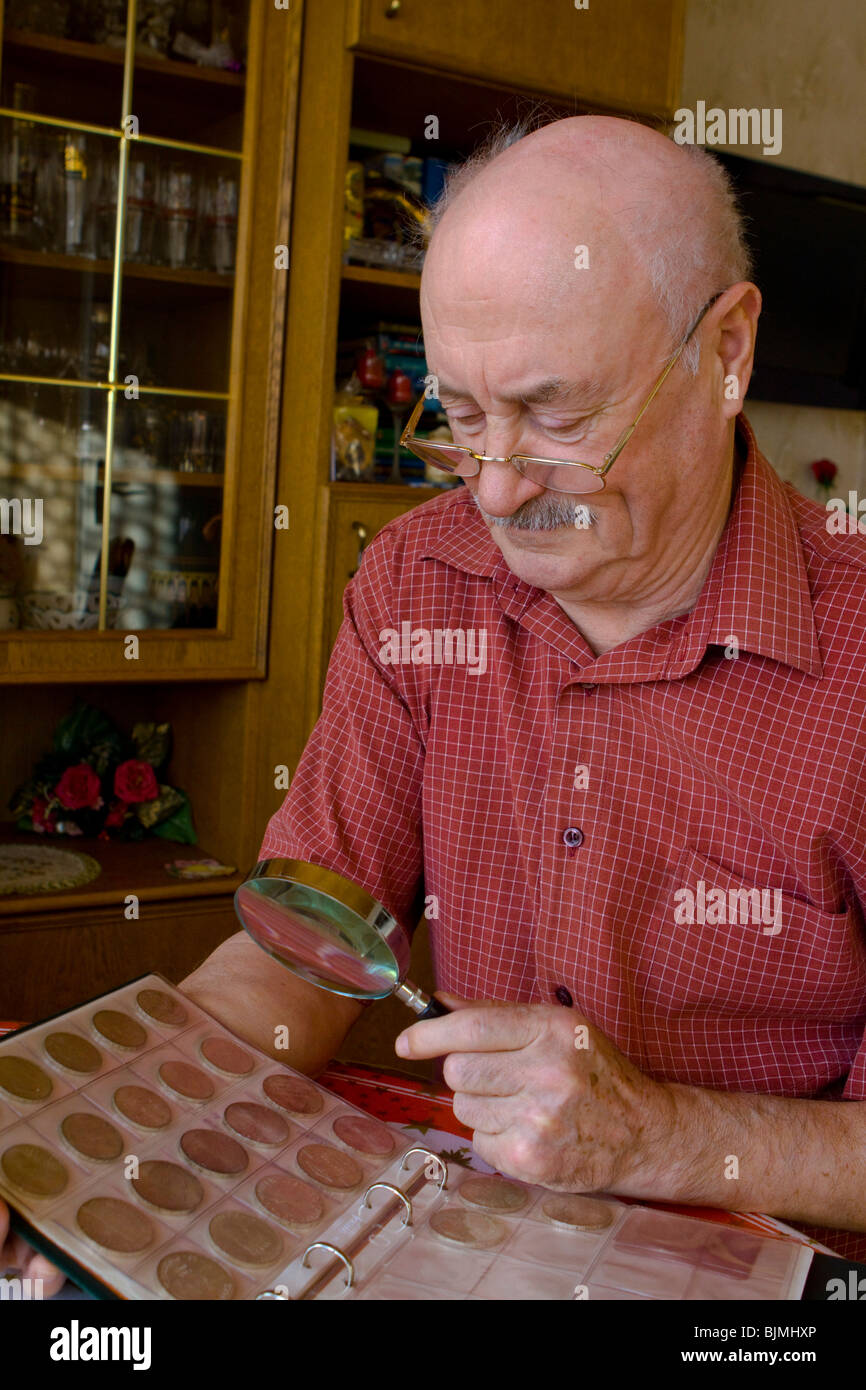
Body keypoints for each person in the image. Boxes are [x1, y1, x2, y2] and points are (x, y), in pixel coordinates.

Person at [5, 114, 865, 1289]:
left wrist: (651, 1130)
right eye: (458, 417)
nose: (500, 487)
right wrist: (72, 1133)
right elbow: (300, 959)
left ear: (724, 351)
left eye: (558, 418)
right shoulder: (417, 580)